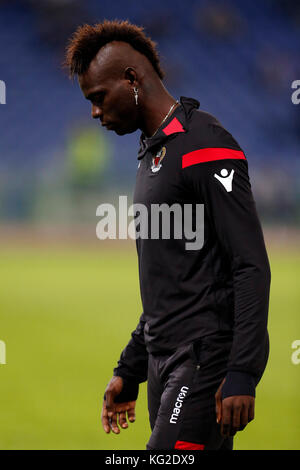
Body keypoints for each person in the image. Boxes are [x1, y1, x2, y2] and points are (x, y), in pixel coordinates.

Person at [65, 20, 271, 450]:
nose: (94, 113)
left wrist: (243, 371)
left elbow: (249, 263)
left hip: (202, 363)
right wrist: (131, 367)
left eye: (98, 98)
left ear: (132, 80)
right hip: (164, 367)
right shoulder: (153, 154)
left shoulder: (207, 145)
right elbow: (172, 284)